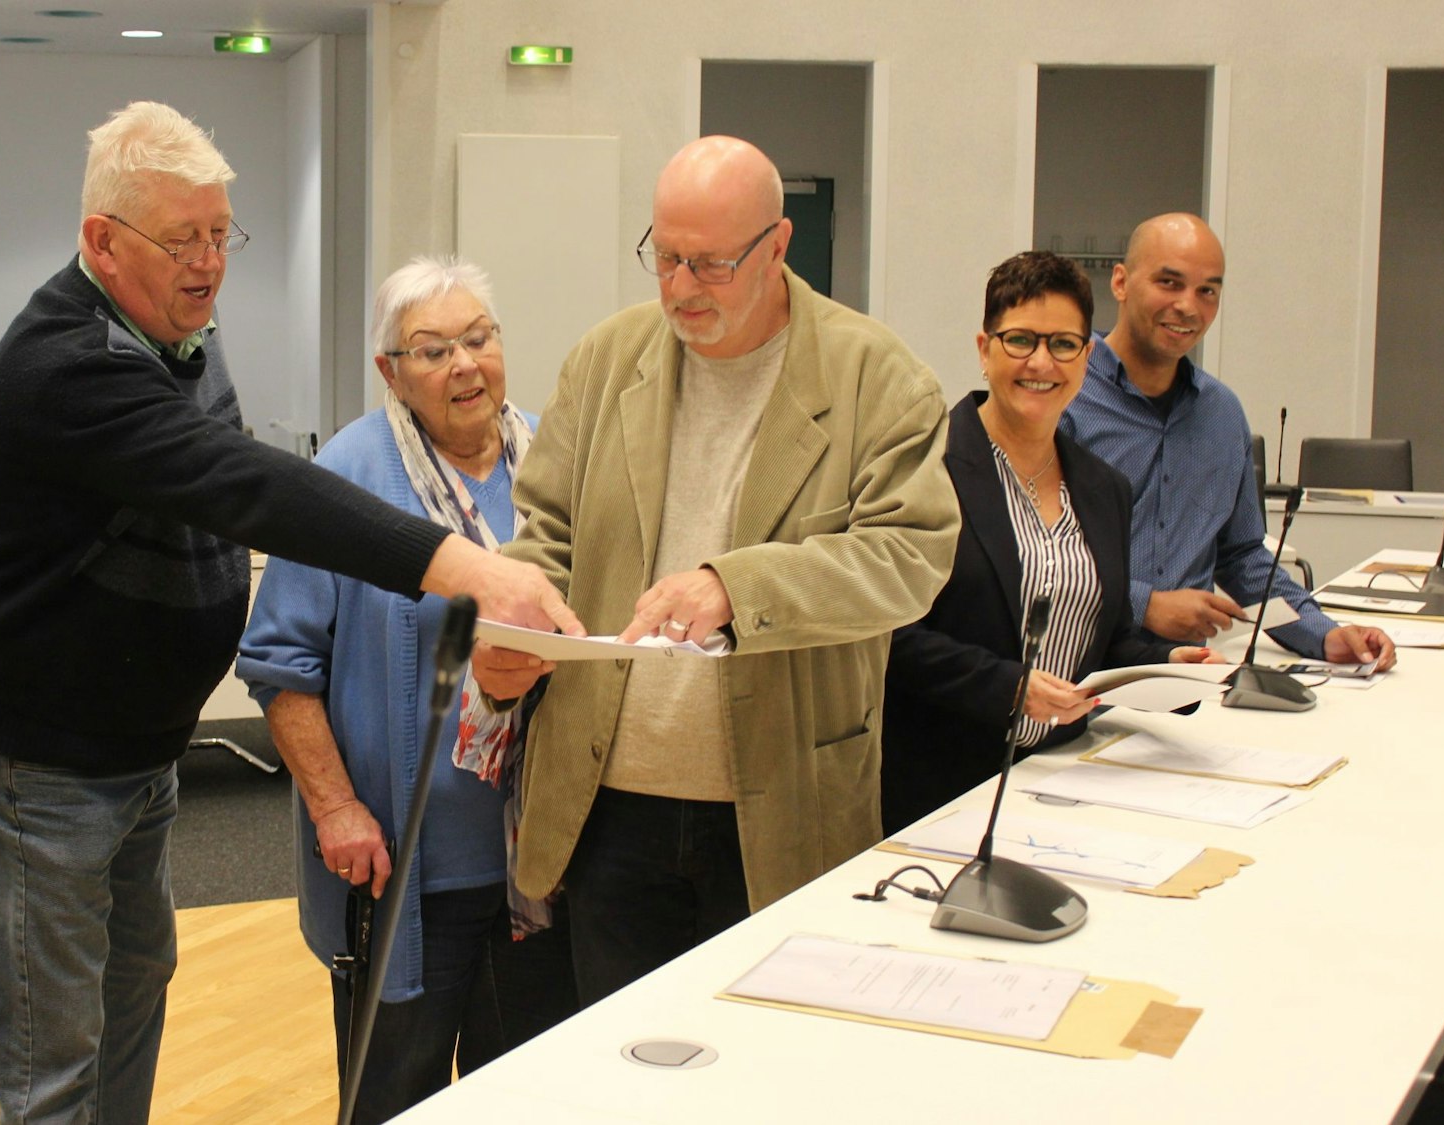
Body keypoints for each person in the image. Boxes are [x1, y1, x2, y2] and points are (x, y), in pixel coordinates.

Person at [0, 101, 579, 1123]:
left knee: (131, 1003)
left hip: (134, 756)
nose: (208, 263)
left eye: (219, 234)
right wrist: (463, 567)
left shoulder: (176, 335)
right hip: (41, 766)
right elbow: (243, 482)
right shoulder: (69, 363)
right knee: (55, 1064)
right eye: (180, 239)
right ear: (102, 240)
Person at [472, 135, 961, 1006]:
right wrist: (513, 633)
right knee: (623, 1057)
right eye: (664, 257)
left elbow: (908, 555)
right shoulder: (606, 359)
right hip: (608, 803)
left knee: (770, 1055)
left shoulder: (877, 378)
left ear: (778, 246)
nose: (681, 288)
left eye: (711, 264)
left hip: (781, 805)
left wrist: (739, 587)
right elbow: (546, 531)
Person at [237, 257, 578, 1122]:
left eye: (479, 338)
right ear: (390, 372)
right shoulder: (348, 477)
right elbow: (280, 663)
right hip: (406, 872)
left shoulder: (555, 463)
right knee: (394, 1100)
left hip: (539, 867)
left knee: (527, 1101)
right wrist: (334, 808)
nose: (465, 364)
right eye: (433, 350)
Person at [880, 251, 1220, 833]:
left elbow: (1104, 639)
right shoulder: (923, 468)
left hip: (1060, 780)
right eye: (1020, 340)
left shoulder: (1104, 488)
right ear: (984, 349)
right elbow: (885, 635)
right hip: (940, 788)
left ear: (1086, 358)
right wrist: (1008, 688)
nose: (1041, 362)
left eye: (1063, 344)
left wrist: (1167, 665)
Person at [1059, 213, 1396, 670]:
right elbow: (1034, 557)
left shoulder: (1221, 414)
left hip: (1189, 675)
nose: (1188, 306)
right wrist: (1144, 605)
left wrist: (1326, 635)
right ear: (1120, 282)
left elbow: (1242, 557)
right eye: (1169, 283)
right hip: (1075, 669)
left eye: (1207, 291)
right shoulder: (1064, 397)